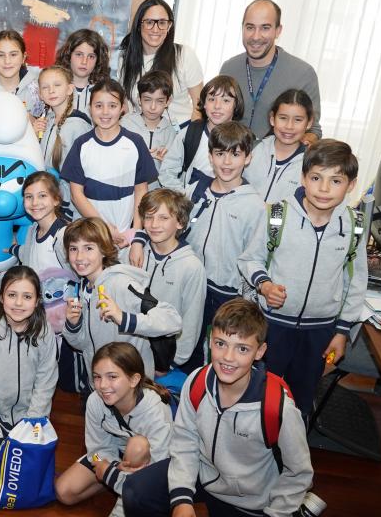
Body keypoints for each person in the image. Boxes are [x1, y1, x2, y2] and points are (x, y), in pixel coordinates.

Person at [120, 299, 314, 517]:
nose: (228, 357)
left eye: (242, 348)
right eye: (221, 343)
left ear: (259, 351)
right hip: (205, 473)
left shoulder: (277, 407)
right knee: (135, 491)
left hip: (250, 499)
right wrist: (181, 498)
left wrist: (277, 513)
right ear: (210, 341)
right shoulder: (196, 382)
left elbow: (299, 473)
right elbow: (185, 441)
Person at [240, 139, 367, 418]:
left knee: (299, 401)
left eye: (336, 181)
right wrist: (265, 285)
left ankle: (290, 456)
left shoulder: (355, 226)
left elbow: (355, 283)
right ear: (303, 178)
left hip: (320, 332)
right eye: (316, 178)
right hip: (273, 326)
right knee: (260, 397)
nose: (324, 189)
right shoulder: (278, 214)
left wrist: (342, 332)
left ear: (351, 185)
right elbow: (250, 260)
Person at [181, 122, 267, 373]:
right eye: (220, 154)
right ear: (210, 156)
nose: (227, 162)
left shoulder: (254, 206)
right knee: (190, 345)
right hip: (193, 284)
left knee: (218, 352)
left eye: (235, 154)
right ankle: (190, 394)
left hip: (227, 293)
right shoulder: (195, 191)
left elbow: (254, 256)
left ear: (248, 157)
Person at [62, 217, 181, 389]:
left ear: (103, 250)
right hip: (100, 385)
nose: (80, 257)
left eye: (88, 248)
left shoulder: (120, 284)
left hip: (132, 389)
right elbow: (83, 346)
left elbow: (172, 320)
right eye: (73, 249)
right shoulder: (83, 289)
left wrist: (123, 318)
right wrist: (73, 325)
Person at [55, 342, 171, 516]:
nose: (102, 385)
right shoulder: (95, 400)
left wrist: (112, 474)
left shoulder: (156, 412)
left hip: (147, 465)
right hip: (111, 459)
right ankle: (113, 483)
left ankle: (121, 496)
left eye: (112, 377)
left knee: (137, 446)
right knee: (64, 492)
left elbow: (159, 469)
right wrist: (112, 467)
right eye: (97, 377)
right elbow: (94, 451)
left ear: (134, 379)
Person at [0, 265, 58, 469]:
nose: (18, 303)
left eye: (27, 297)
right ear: (1, 297)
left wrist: (31, 425)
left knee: (22, 471)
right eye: (12, 295)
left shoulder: (44, 332)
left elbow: (46, 381)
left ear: (37, 301)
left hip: (28, 416)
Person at [61, 79, 157, 246]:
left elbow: (141, 190)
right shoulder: (81, 145)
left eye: (112, 106)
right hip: (90, 234)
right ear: (90, 108)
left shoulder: (135, 143)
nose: (105, 112)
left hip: (125, 236)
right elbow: (76, 195)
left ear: (122, 108)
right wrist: (103, 228)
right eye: (98, 105)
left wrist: (135, 232)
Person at [220, 0, 322, 141]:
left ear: (278, 31)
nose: (256, 36)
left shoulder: (303, 73)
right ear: (242, 28)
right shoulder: (229, 68)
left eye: (265, 28)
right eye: (250, 27)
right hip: (230, 158)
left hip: (275, 160)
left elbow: (313, 130)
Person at [131, 189, 206, 374]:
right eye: (149, 217)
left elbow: (191, 323)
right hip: (131, 350)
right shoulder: (133, 254)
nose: (154, 224)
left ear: (180, 222)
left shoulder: (192, 267)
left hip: (164, 360)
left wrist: (171, 362)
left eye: (163, 218)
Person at [117, 0, 204, 129]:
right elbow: (127, 106)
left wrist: (188, 140)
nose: (156, 29)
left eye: (162, 23)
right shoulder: (125, 57)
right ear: (139, 25)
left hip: (179, 133)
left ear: (169, 26)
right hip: (141, 134)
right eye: (150, 22)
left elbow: (199, 105)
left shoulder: (184, 55)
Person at [158, 75, 244, 191]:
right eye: (211, 99)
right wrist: (183, 197)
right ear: (204, 103)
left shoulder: (243, 140)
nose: (217, 106)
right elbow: (167, 171)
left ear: (236, 105)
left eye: (226, 100)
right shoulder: (190, 132)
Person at [32, 65, 91, 216]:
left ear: (70, 89)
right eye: (45, 87)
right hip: (48, 199)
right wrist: (33, 135)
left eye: (57, 85)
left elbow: (86, 171)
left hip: (70, 205)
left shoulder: (78, 124)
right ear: (40, 94)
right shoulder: (46, 121)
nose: (51, 90)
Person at [243, 89, 315, 203]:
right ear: (272, 119)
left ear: (309, 123)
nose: (289, 126)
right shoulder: (252, 149)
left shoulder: (311, 163)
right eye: (283, 118)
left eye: (298, 120)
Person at [121, 70, 180, 189]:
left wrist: (166, 161)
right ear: (139, 99)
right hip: (126, 191)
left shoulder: (171, 132)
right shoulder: (125, 124)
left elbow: (173, 170)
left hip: (156, 194)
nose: (153, 107)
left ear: (168, 101)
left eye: (159, 101)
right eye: (147, 99)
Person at [0, 29, 43, 117]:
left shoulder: (36, 92)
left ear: (23, 57)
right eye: (0, 55)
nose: (7, 61)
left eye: (13, 54)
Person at [56, 29, 111, 115]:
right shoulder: (54, 88)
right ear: (68, 55)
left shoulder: (104, 92)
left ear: (98, 60)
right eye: (79, 54)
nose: (84, 61)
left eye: (91, 56)